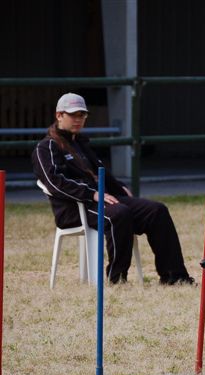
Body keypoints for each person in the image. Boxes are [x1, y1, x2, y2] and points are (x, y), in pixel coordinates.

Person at [32, 93, 194, 285]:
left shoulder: (81, 143)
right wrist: (91, 194)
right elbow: (55, 183)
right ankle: (116, 280)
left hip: (101, 200)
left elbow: (102, 174)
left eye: (82, 115)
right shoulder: (46, 147)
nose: (78, 119)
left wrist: (121, 188)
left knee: (157, 210)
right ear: (59, 115)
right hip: (74, 208)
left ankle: (174, 277)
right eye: (73, 115)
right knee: (119, 214)